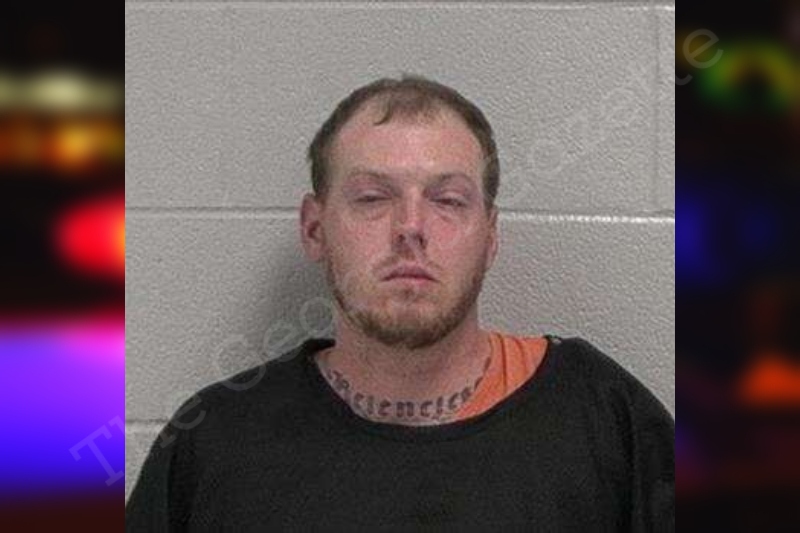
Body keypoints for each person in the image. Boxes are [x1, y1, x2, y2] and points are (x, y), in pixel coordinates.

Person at [126, 75, 674, 531]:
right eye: (372, 197)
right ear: (315, 229)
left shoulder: (602, 419)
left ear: (490, 236)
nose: (410, 227)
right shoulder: (218, 440)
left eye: (448, 200)